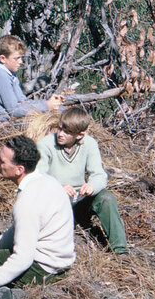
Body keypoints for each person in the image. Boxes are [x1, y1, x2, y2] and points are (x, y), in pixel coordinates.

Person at [0, 135, 76, 299]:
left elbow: (23, 258)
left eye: (2, 161)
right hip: (61, 263)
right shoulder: (48, 181)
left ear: (19, 169)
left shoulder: (27, 203)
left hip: (42, 268)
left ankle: (8, 295)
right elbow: (18, 231)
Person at [37, 107, 127, 254]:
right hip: (54, 202)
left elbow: (99, 175)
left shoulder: (89, 144)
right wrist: (58, 188)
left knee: (106, 198)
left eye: (67, 132)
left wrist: (92, 186)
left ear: (79, 135)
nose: (60, 134)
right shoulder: (46, 144)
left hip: (79, 199)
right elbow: (38, 176)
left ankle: (120, 250)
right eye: (59, 128)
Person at [0, 34, 62, 122]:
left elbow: (23, 102)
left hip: (10, 121)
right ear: (3, 59)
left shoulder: (10, 74)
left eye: (20, 58)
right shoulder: (0, 76)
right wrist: (46, 106)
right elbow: (14, 110)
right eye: (16, 58)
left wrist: (48, 103)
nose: (20, 61)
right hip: (1, 123)